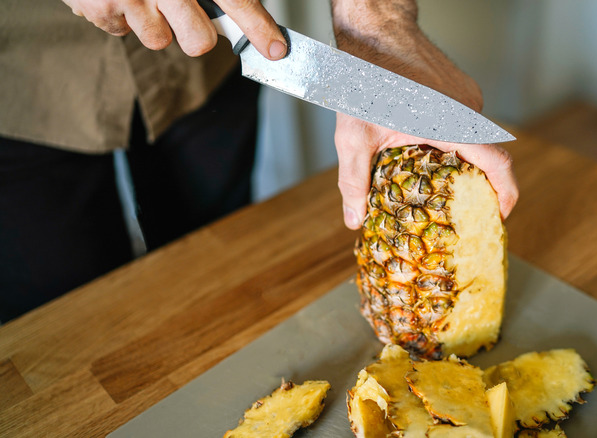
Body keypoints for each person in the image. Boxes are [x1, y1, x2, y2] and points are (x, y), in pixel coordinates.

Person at [0, 0, 518, 322]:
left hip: (210, 51)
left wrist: (374, 20)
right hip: (21, 81)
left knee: (216, 274)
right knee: (61, 315)